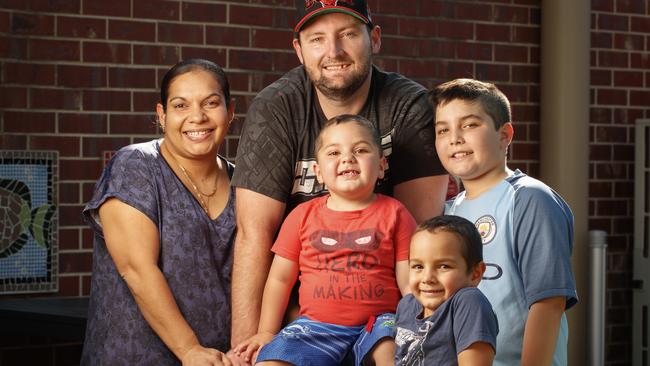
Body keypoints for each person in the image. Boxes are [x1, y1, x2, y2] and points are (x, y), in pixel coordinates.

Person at [230, 0, 448, 346]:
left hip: (384, 314)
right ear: (299, 50)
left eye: (348, 34)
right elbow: (254, 236)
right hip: (303, 317)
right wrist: (247, 347)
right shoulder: (276, 108)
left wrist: (417, 339)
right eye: (317, 39)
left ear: (374, 39)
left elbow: (421, 239)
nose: (333, 51)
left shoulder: (409, 106)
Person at [81, 59, 236, 366]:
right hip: (135, 357)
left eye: (211, 103)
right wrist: (189, 349)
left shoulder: (243, 182)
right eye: (180, 105)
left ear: (230, 112)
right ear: (162, 116)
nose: (197, 117)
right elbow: (136, 269)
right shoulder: (135, 166)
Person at [233, 115, 417, 365]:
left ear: (382, 165)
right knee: (271, 363)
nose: (347, 158)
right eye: (333, 152)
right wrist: (267, 331)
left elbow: (408, 280)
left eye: (361, 149)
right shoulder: (302, 216)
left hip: (379, 323)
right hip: (315, 327)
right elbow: (280, 279)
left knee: (390, 352)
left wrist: (419, 322)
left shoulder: (396, 213)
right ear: (318, 172)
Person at [431, 78, 578, 365]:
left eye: (470, 125)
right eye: (442, 130)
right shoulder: (449, 213)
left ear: (505, 135)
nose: (455, 138)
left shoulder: (528, 199)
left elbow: (548, 302)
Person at [394, 215, 498, 366]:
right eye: (418, 266)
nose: (427, 278)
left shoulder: (468, 302)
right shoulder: (406, 305)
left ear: (475, 273)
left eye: (444, 266)